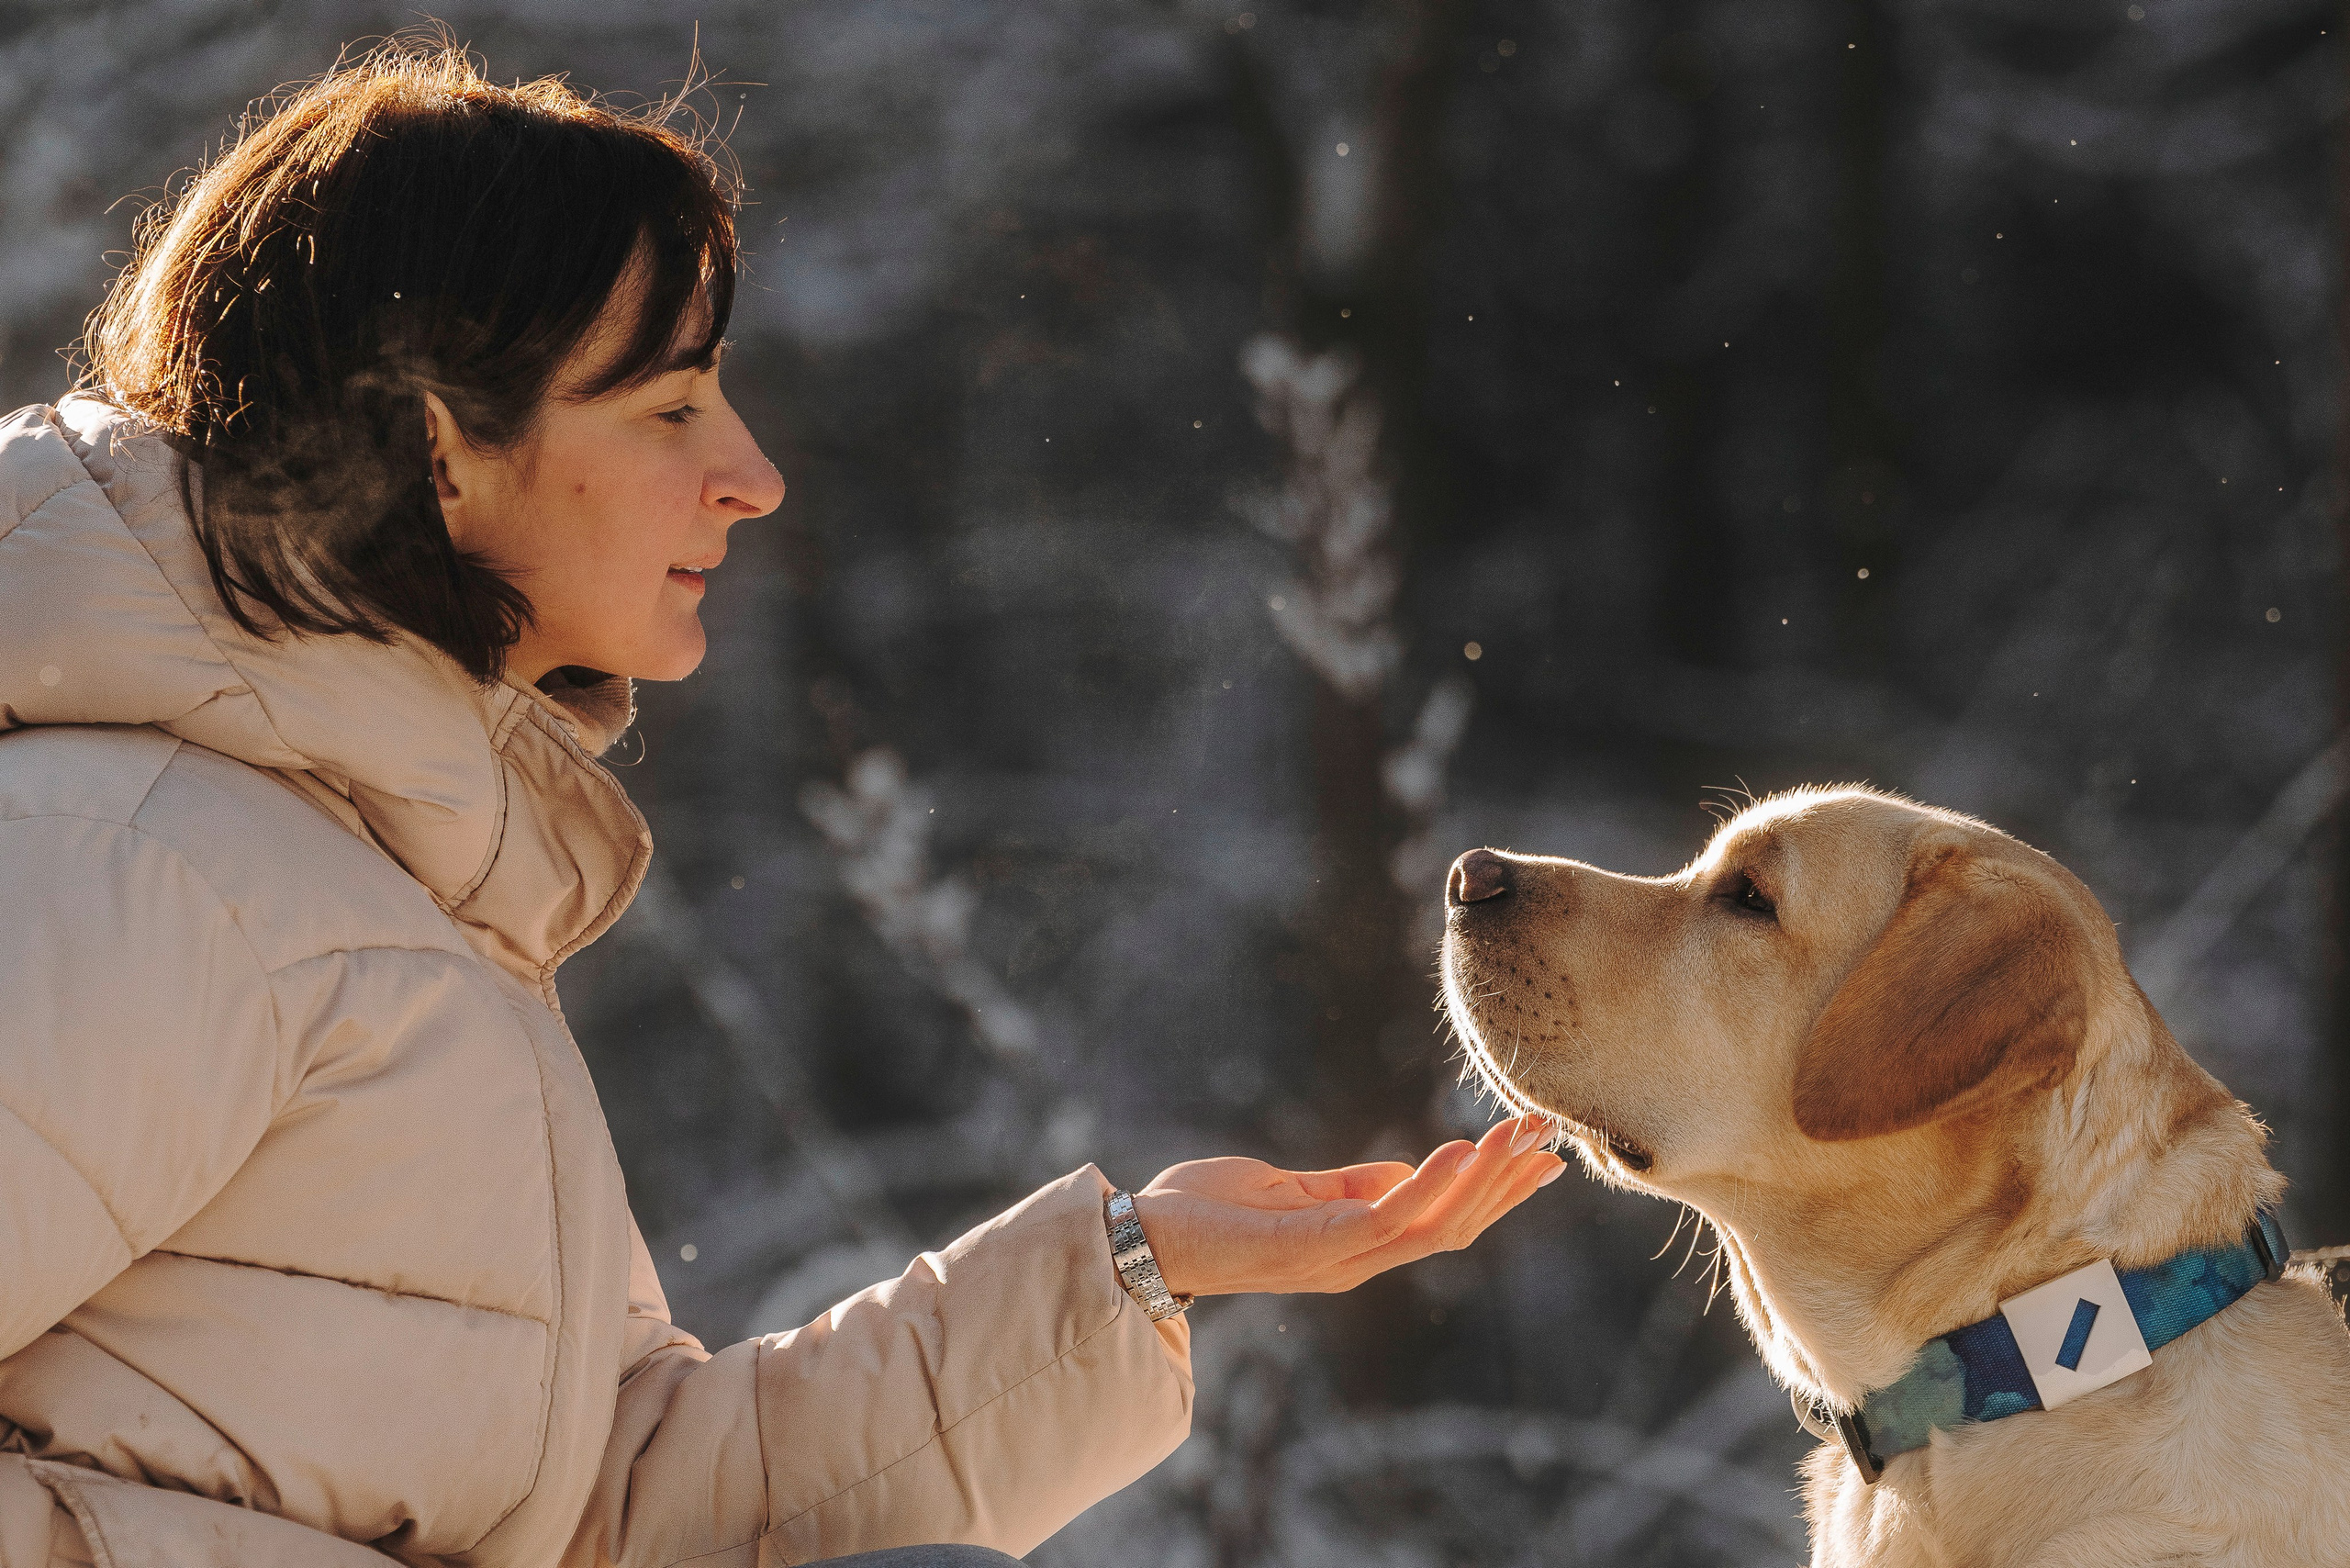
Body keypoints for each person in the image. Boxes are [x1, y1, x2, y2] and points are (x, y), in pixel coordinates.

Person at [0, 39, 1565, 1568]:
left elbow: (610, 1518)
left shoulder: (376, 893)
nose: (753, 473)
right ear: (442, 447)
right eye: (670, 407)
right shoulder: (135, 869)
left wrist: (1136, 1263)